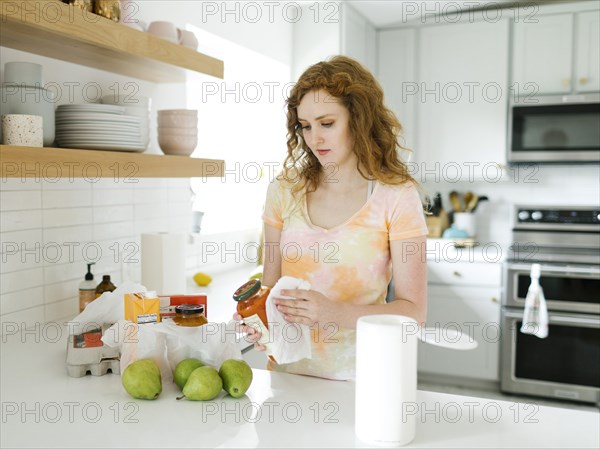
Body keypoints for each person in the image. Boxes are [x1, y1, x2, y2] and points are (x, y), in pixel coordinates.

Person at [235, 55, 428, 381]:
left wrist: (333, 313)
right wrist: (259, 322)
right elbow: (269, 290)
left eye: (327, 123)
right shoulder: (283, 191)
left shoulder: (396, 196)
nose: (315, 139)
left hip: (361, 380)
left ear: (359, 118)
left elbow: (414, 312)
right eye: (305, 127)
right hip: (286, 376)